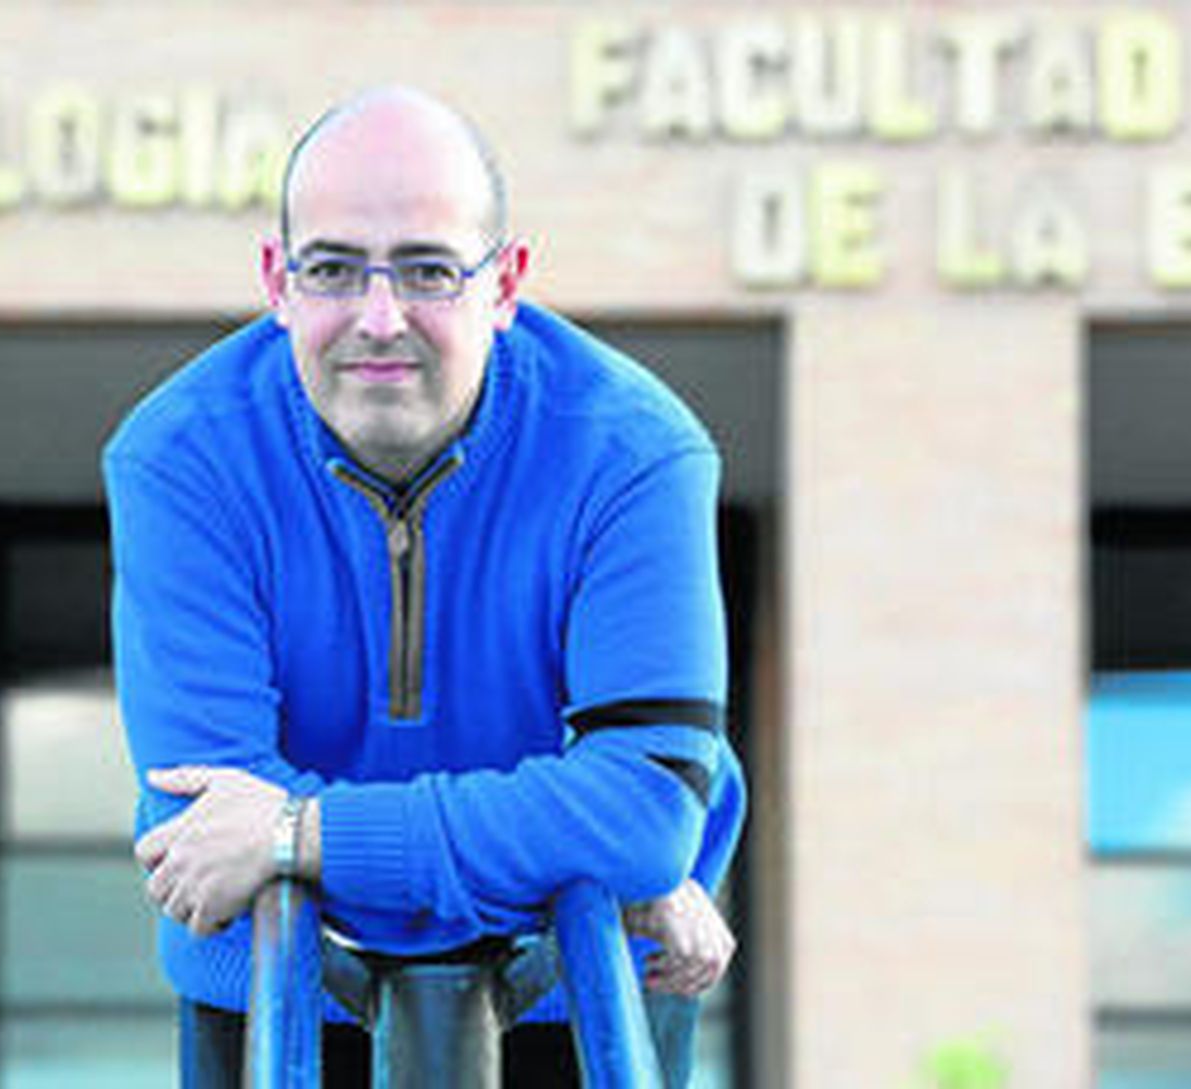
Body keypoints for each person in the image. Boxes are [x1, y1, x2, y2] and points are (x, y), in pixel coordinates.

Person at [103, 86, 745, 1086]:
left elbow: (638, 817)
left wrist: (294, 834)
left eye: (428, 270)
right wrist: (592, 859)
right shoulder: (179, 460)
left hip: (571, 980)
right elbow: (206, 853)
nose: (378, 317)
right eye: (331, 269)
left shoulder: (638, 456)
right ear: (276, 281)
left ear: (505, 284)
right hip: (290, 986)